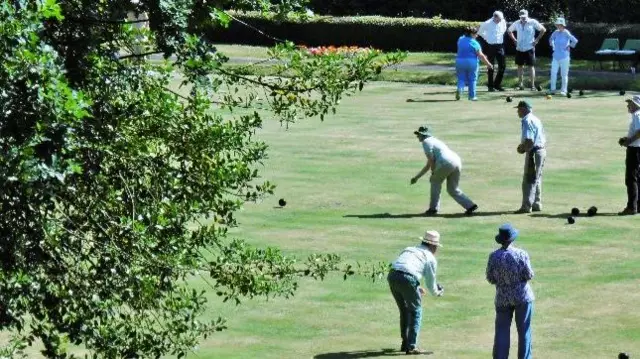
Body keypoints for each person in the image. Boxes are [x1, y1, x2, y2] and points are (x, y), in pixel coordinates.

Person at [388, 230, 444, 355]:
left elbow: (403, 267)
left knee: (404, 310)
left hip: (392, 275)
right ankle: (411, 346)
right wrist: (438, 292)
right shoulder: (430, 258)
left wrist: (416, 286)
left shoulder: (409, 249)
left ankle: (405, 343)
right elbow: (431, 284)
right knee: (415, 311)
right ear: (432, 245)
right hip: (407, 279)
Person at [486, 224, 535, 359]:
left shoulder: (493, 256)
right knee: (524, 330)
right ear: (512, 239)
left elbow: (490, 278)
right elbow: (529, 275)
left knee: (501, 331)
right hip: (523, 297)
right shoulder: (521, 254)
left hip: (502, 297)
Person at [410, 125, 478, 216]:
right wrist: (417, 177)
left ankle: (433, 209)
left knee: (435, 181)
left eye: (419, 134)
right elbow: (430, 163)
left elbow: (431, 161)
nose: (418, 136)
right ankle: (470, 206)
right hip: (456, 160)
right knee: (452, 189)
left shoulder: (426, 142)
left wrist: (432, 172)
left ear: (425, 135)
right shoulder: (436, 140)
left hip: (445, 162)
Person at [514, 100, 546, 214]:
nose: (517, 111)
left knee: (528, 180)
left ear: (523, 109)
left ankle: (526, 206)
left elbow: (529, 140)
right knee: (537, 178)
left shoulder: (527, 120)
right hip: (541, 150)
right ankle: (537, 204)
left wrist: (522, 148)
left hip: (533, 151)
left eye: (518, 109)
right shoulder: (536, 118)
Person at [508, 10, 546, 91]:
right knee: (519, 66)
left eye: (524, 17)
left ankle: (532, 86)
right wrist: (514, 40)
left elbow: (543, 30)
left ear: (527, 15)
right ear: (520, 16)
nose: (523, 18)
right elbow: (509, 30)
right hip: (519, 48)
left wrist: (537, 40)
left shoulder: (533, 22)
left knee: (531, 66)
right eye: (521, 17)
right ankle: (520, 85)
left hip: (529, 48)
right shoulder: (517, 23)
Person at [455, 26, 494, 101]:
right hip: (471, 62)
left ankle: (460, 90)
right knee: (472, 79)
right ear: (472, 34)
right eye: (476, 34)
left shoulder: (460, 40)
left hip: (459, 61)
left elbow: (463, 37)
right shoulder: (475, 43)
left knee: (461, 78)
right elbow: (481, 55)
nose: (477, 35)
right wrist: (488, 64)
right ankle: (472, 96)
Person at [618, 95, 640, 215]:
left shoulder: (637, 114)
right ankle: (638, 205)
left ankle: (631, 207)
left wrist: (628, 142)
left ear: (636, 105)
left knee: (631, 179)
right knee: (638, 178)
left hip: (635, 150)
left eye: (630, 103)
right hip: (637, 149)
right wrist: (628, 139)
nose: (628, 105)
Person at [478, 11, 508, 92]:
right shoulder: (487, 23)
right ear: (494, 17)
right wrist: (486, 38)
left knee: (503, 65)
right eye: (499, 19)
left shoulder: (503, 21)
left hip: (500, 46)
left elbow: (504, 28)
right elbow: (480, 32)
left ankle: (497, 85)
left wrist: (500, 35)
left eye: (501, 19)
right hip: (490, 46)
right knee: (491, 66)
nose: (500, 21)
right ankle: (490, 86)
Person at [548, 18, 578, 95]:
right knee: (553, 73)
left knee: (564, 74)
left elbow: (575, 40)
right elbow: (551, 39)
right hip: (555, 56)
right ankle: (552, 90)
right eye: (557, 25)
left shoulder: (566, 32)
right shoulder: (555, 32)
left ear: (562, 25)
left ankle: (564, 90)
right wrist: (553, 45)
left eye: (559, 25)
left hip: (564, 57)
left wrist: (569, 46)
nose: (557, 26)